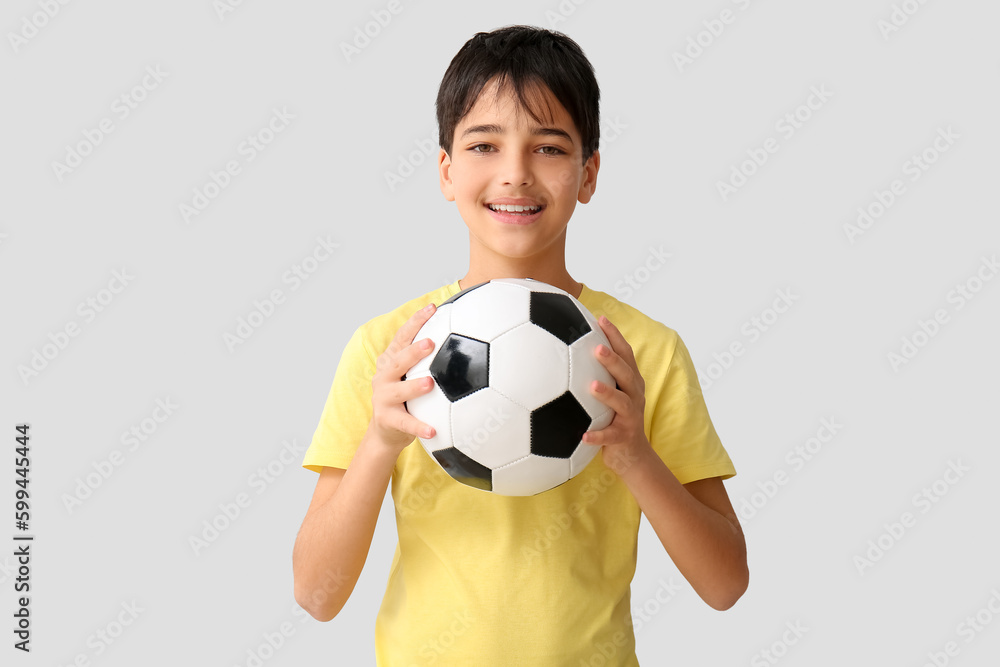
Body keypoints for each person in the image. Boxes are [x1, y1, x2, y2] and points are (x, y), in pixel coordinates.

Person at [293, 25, 748, 666]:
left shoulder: (642, 351)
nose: (515, 174)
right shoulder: (389, 350)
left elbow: (725, 585)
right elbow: (316, 595)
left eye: (549, 148)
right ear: (447, 171)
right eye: (484, 145)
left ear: (588, 173)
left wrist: (635, 456)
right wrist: (379, 442)